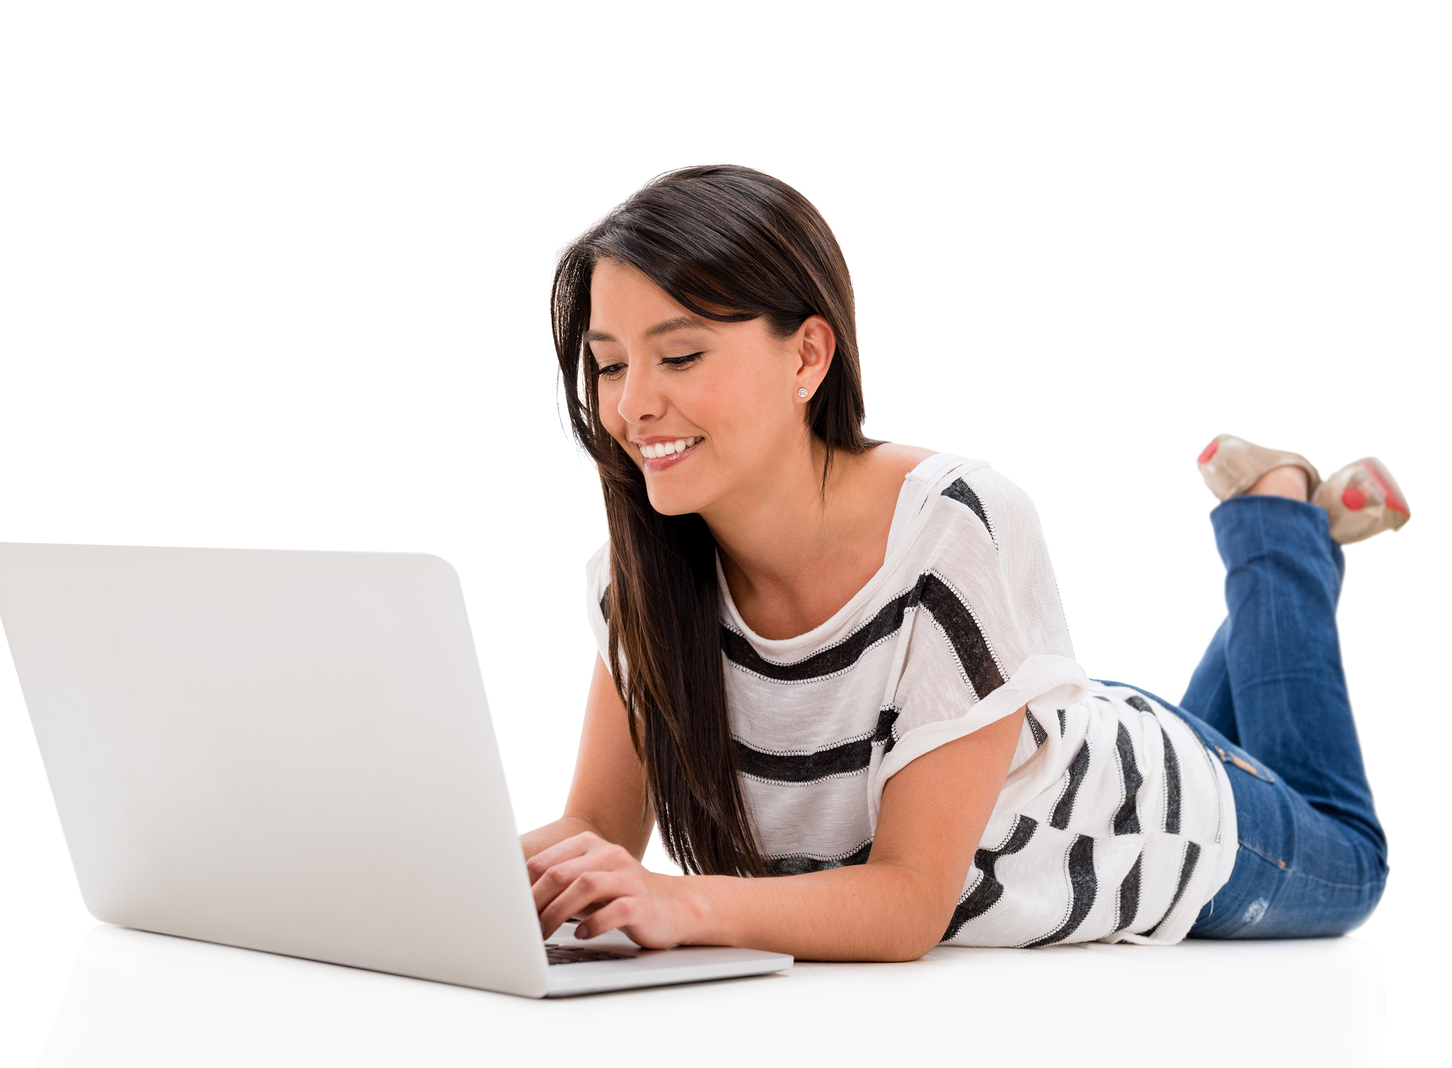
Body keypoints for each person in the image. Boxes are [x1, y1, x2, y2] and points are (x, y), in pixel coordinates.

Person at [520, 165, 1400, 961]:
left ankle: (1275, 521)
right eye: (606, 365)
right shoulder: (633, 576)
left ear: (808, 354)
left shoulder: (953, 525)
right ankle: (1284, 540)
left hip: (1167, 829)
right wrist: (480, 878)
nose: (632, 404)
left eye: (679, 355)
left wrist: (683, 905)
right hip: (1042, 758)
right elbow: (594, 833)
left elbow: (908, 903)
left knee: (1350, 854)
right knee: (1252, 724)